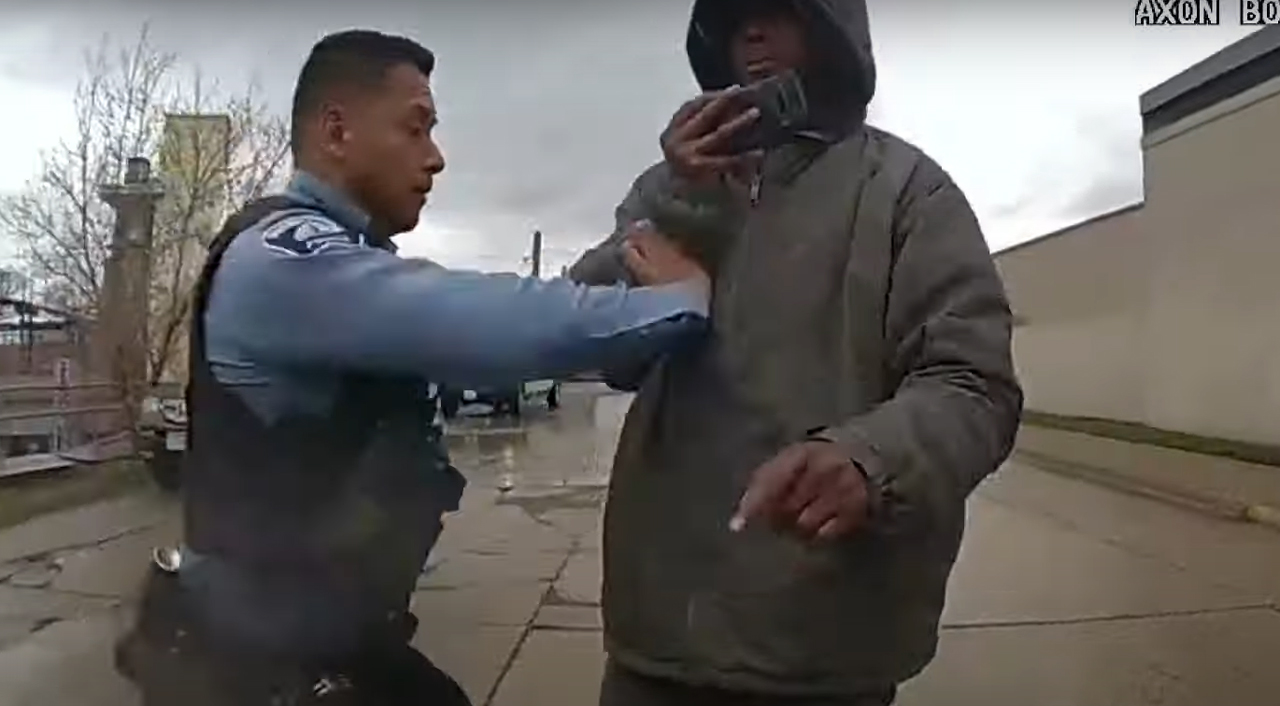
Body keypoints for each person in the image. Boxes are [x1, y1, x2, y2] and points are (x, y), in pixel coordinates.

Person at [114, 29, 709, 706]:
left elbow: (541, 308)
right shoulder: (287, 262)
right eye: (415, 128)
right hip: (255, 669)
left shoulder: (341, 262)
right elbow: (487, 320)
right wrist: (685, 303)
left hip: (329, 645)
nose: (436, 158)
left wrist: (671, 188)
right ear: (337, 131)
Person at [569, 0, 1023, 704]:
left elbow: (975, 386)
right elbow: (599, 340)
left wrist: (870, 460)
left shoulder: (905, 191)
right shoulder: (669, 190)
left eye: (777, 10)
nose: (749, 30)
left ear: (833, 30)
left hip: (823, 653)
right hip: (657, 641)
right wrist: (685, 200)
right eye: (733, 16)